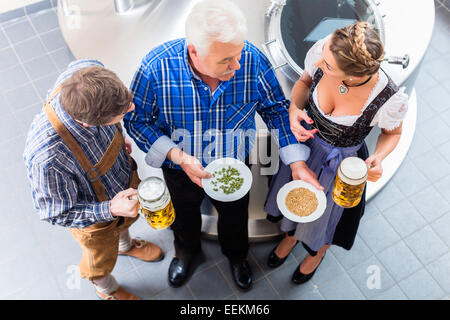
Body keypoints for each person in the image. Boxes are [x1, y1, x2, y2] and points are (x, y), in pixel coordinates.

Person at [123, 0, 319, 290]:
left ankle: (237, 257)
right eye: (226, 60)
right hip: (179, 167)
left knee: (234, 218)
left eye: (238, 54)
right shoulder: (156, 68)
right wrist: (178, 156)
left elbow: (276, 110)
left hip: (234, 164)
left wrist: (298, 163)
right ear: (194, 52)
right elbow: (137, 121)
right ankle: (186, 252)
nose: (237, 65)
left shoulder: (251, 59)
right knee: (183, 214)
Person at [264, 21, 408, 284]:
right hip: (305, 146)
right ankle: (290, 237)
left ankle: (315, 254)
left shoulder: (388, 98)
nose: (319, 65)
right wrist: (295, 109)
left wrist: (378, 157)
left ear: (351, 76)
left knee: (330, 217)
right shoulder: (326, 51)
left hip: (342, 164)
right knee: (298, 200)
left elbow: (392, 134)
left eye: (328, 67)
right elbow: (304, 83)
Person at [23, 60, 164, 300]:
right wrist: (110, 208)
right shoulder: (47, 157)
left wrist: (117, 138)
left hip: (123, 179)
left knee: (125, 225)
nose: (132, 108)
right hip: (96, 220)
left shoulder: (86, 68)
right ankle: (105, 289)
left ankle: (126, 247)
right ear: (88, 124)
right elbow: (56, 213)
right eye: (122, 112)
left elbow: (115, 107)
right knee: (99, 261)